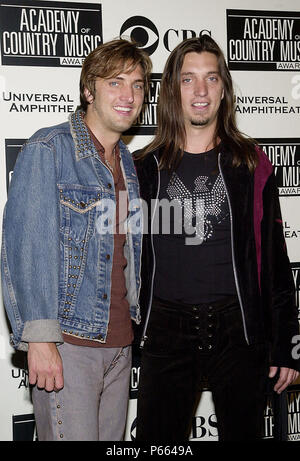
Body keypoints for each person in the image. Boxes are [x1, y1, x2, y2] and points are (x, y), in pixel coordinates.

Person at [134, 35, 300, 441]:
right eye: (188, 79)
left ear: (224, 88)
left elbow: (275, 262)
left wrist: (287, 345)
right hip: (166, 330)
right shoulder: (142, 169)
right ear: (172, 89)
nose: (201, 91)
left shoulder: (250, 163)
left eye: (211, 78)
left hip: (238, 329)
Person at [1, 38, 152, 441]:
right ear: (89, 89)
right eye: (115, 82)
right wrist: (41, 340)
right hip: (70, 346)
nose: (128, 95)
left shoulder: (128, 163)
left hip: (120, 345)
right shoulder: (49, 148)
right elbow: (26, 250)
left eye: (137, 85)